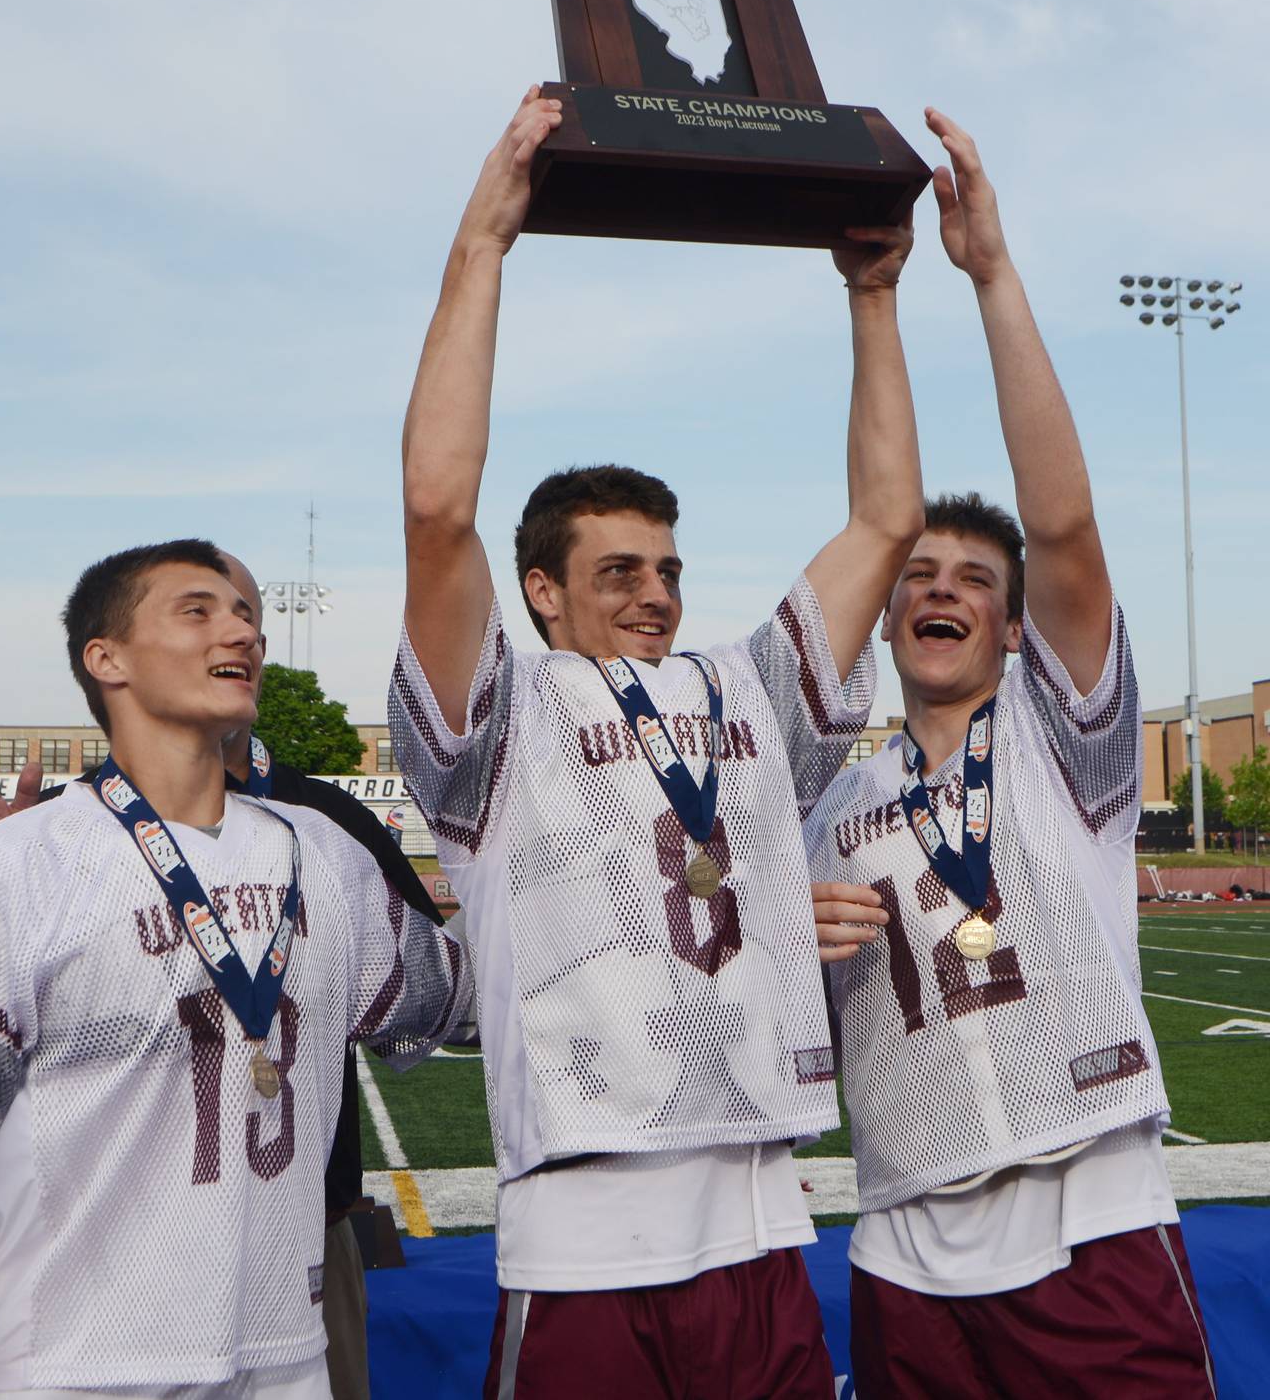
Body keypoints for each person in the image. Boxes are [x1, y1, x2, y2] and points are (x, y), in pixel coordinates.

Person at [388, 87, 919, 1398]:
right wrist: (485, 245)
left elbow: (887, 517)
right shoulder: (507, 715)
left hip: (756, 1208)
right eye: (616, 568)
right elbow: (436, 504)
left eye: (669, 566)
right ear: (543, 591)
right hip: (582, 1228)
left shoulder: (747, 681)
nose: (653, 590)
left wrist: (873, 298)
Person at [0, 538, 470, 1399]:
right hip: (70, 1372)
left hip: (289, 1361)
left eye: (247, 614)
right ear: (107, 658)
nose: (242, 632)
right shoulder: (6, 869)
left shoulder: (325, 855)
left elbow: (467, 1000)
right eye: (199, 610)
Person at [805, 111, 1217, 1398]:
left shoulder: (1066, 744)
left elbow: (1067, 525)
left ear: (1012, 619)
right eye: (915, 575)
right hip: (907, 1247)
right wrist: (784, 929)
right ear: (883, 613)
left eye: (974, 580)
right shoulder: (828, 807)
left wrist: (989, 276)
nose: (940, 591)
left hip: (1088, 1221)